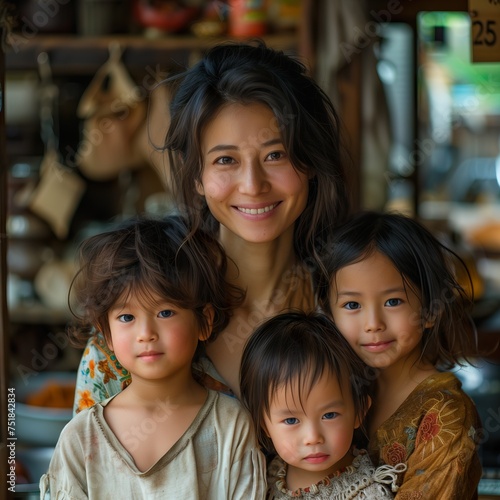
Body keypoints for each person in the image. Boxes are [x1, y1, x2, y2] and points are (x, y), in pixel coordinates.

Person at [73, 40, 351, 412]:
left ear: (310, 162)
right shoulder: (139, 316)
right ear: (196, 177)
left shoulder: (350, 310)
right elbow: (87, 462)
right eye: (225, 160)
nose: (253, 185)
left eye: (275, 155)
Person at [40, 216, 266, 499]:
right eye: (126, 317)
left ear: (204, 322)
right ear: (106, 334)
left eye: (165, 312)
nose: (145, 333)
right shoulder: (80, 439)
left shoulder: (230, 427)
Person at [315, 210, 483, 498]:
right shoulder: (332, 388)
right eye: (352, 305)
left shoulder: (447, 414)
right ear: (329, 314)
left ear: (431, 310)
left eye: (393, 301)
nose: (373, 324)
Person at [239, 311, 406, 499]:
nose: (313, 438)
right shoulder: (262, 479)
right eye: (291, 420)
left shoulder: (368, 494)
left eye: (329, 415)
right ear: (264, 425)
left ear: (359, 411)